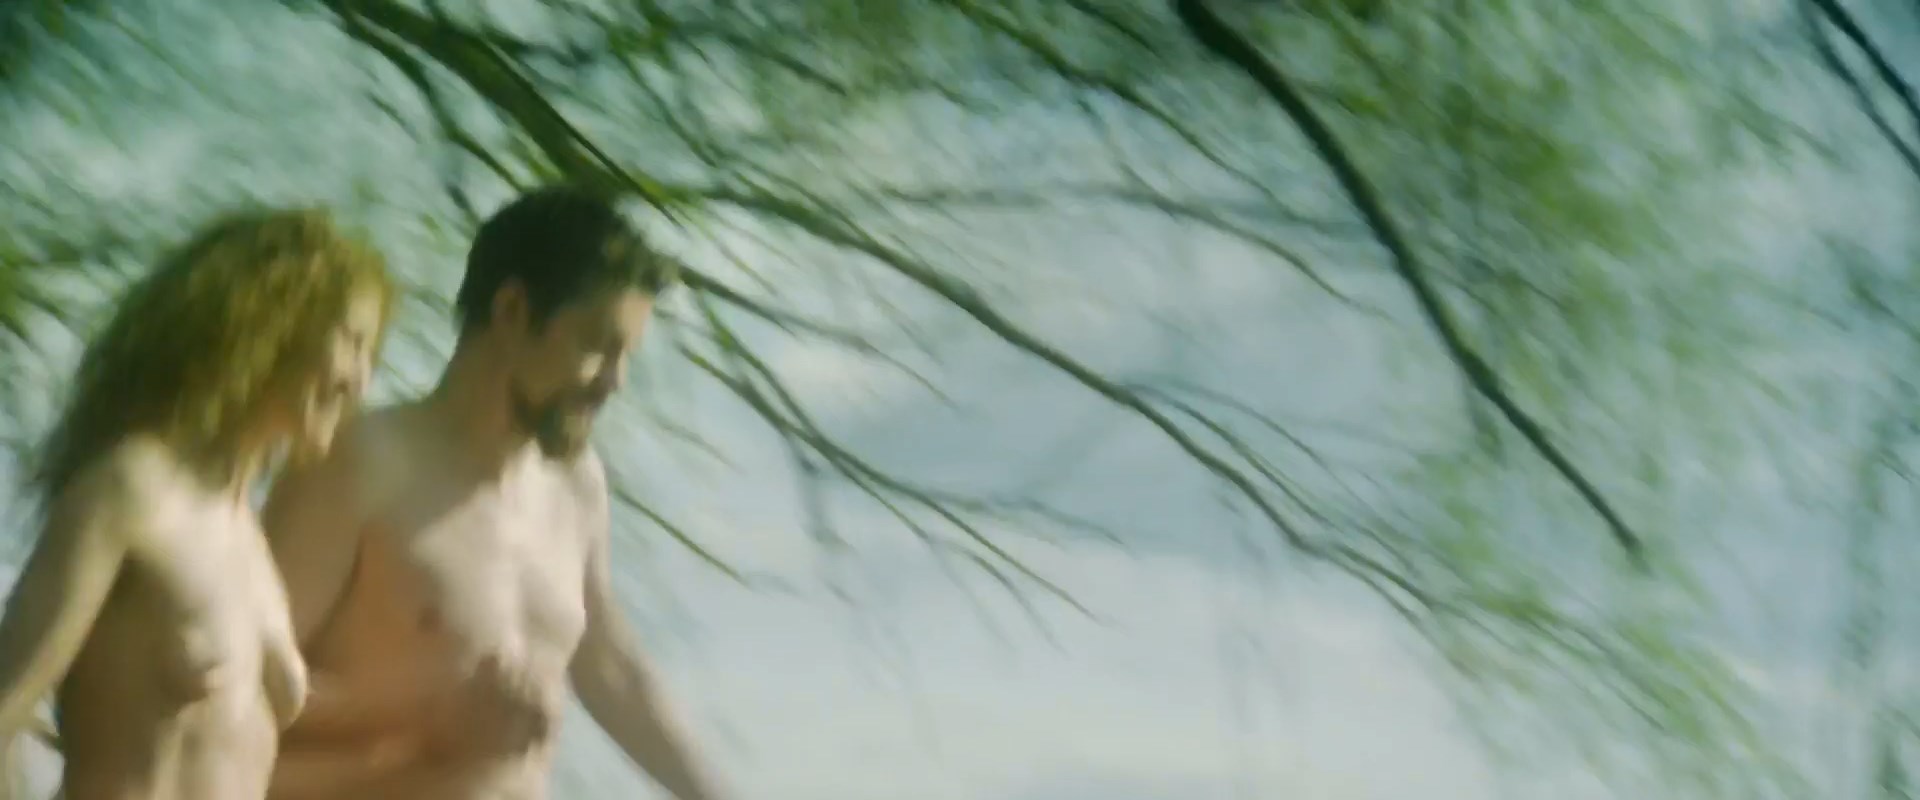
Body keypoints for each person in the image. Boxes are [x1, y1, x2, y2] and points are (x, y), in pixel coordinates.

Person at [264, 186, 726, 800]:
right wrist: (425, 723)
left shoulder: (577, 486)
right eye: (597, 345)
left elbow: (609, 665)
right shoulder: (359, 463)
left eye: (626, 357)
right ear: (511, 310)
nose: (615, 382)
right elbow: (233, 693)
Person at [0, 209, 395, 800]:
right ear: (267, 324)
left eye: (372, 355)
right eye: (352, 342)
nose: (361, 381)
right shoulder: (131, 490)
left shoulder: (248, 538)